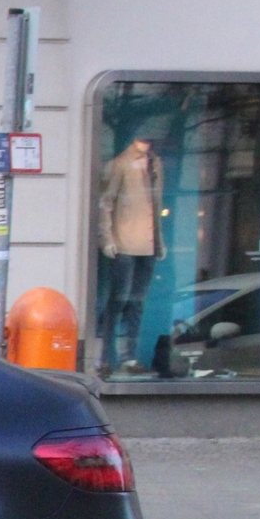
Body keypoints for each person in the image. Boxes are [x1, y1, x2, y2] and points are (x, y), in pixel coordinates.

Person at [97, 137, 163, 373]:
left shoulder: (156, 163)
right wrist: (107, 239)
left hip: (148, 244)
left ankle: (129, 357)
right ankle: (104, 354)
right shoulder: (120, 164)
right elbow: (105, 203)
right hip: (124, 243)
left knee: (137, 302)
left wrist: (159, 242)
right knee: (119, 300)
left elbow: (156, 206)